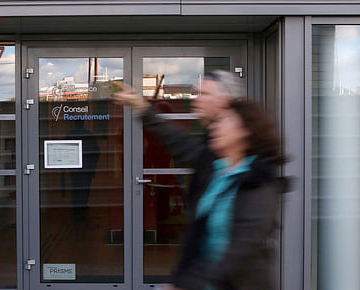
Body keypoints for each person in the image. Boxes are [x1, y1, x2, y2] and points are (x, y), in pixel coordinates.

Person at [115, 72, 285, 290]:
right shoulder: (217, 165)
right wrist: (141, 107)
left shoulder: (257, 180)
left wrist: (185, 284)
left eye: (204, 93)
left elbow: (239, 250)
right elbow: (179, 142)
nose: (196, 99)